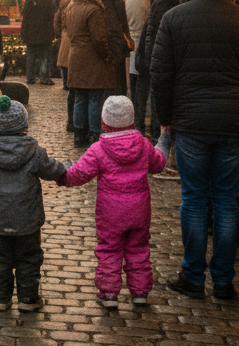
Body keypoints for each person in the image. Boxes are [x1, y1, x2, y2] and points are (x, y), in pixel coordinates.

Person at [150, 0, 239, 302]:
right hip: (232, 121)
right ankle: (223, 281)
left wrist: (165, 118)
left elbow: (160, 73)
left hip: (190, 121)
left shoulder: (174, 18)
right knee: (225, 200)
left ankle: (193, 275)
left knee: (193, 198)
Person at [61, 96, 166, 308]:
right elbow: (158, 165)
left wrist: (61, 173)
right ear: (132, 120)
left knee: (109, 249)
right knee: (139, 249)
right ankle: (140, 293)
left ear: (104, 122)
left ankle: (109, 293)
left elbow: (78, 174)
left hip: (110, 214)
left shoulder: (99, 149)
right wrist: (164, 144)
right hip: (140, 211)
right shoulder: (144, 145)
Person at [0, 96, 67, 313]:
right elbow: (52, 170)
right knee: (29, 258)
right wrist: (66, 168)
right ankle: (28, 298)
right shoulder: (35, 151)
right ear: (24, 125)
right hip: (28, 220)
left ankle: (1, 299)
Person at [136, 0, 184, 141]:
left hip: (155, 57)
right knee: (158, 97)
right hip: (159, 58)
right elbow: (156, 34)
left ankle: (158, 132)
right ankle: (159, 134)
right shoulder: (165, 0)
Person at [65, 0, 113, 147]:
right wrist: (106, 54)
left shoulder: (71, 5)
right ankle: (94, 134)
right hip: (92, 58)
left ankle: (79, 134)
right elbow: (99, 38)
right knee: (94, 98)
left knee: (80, 97)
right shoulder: (94, 9)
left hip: (75, 55)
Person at [125, 0, 152, 132]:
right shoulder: (149, 3)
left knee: (133, 89)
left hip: (131, 47)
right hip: (145, 47)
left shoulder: (127, 2)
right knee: (143, 89)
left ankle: (134, 122)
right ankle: (140, 123)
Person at [103, 0, 133, 98]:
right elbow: (124, 26)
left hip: (105, 44)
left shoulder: (100, 2)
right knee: (118, 80)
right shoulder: (120, 3)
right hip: (118, 45)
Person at [20, 0, 56, 86]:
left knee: (31, 54)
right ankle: (43, 76)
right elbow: (52, 14)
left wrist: (24, 32)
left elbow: (25, 14)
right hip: (46, 31)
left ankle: (30, 78)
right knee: (44, 55)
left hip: (31, 31)